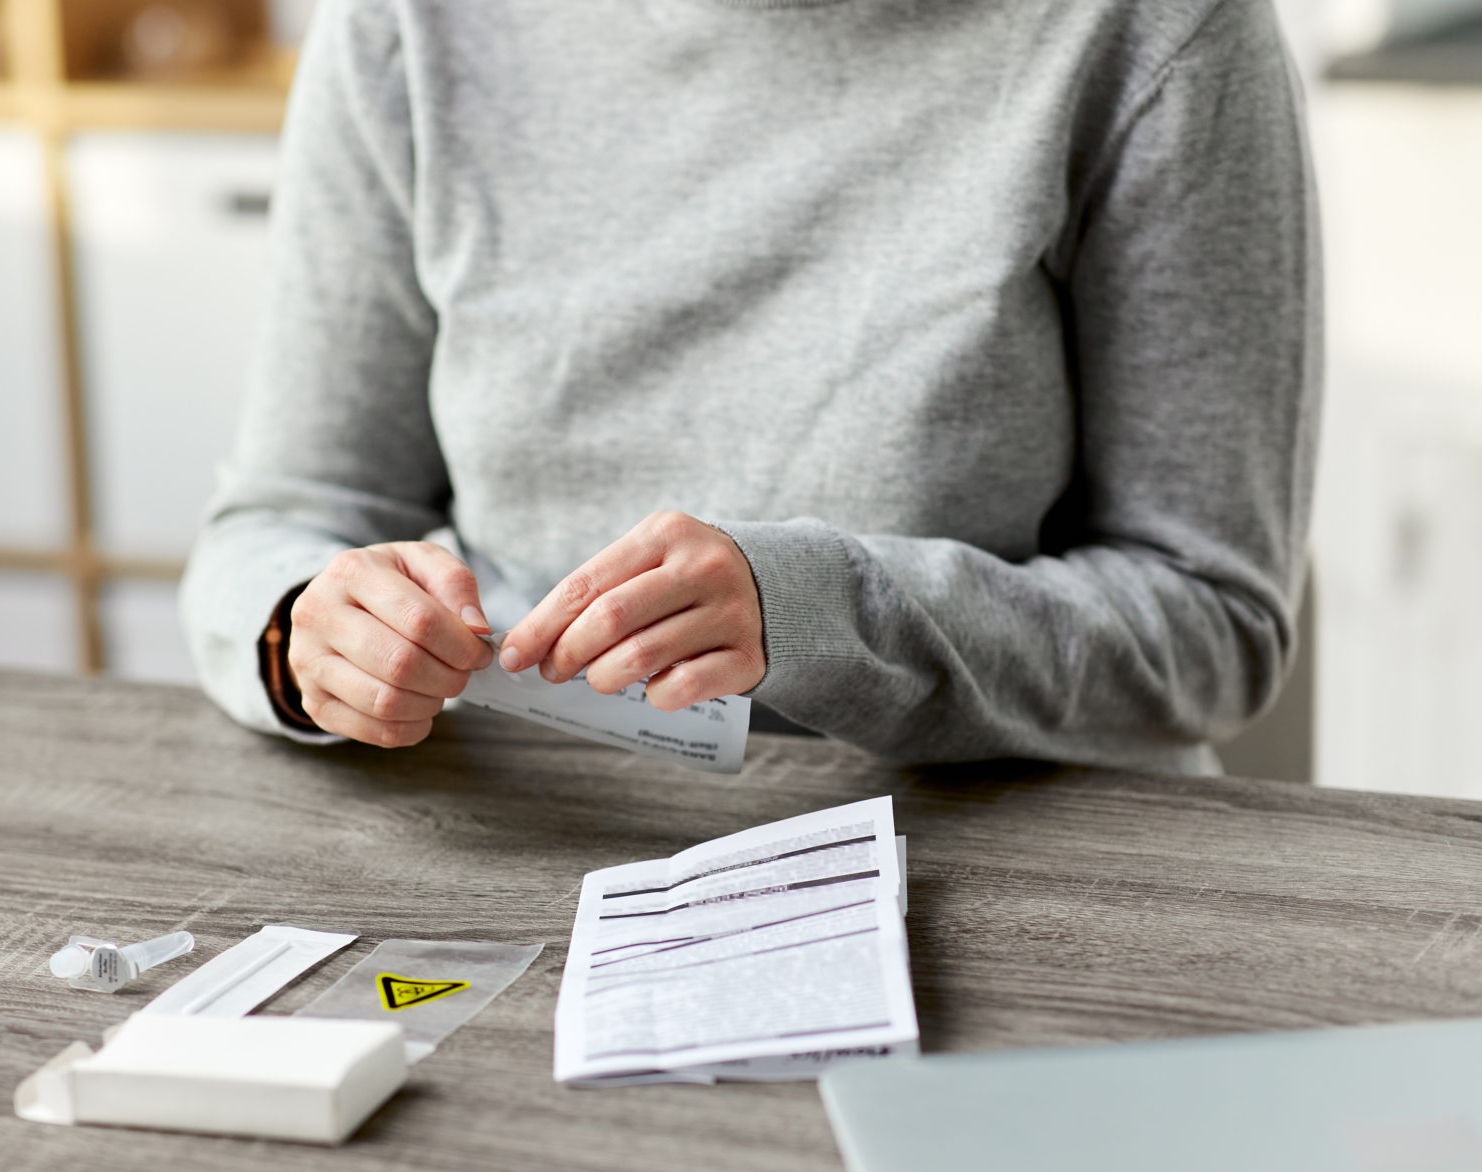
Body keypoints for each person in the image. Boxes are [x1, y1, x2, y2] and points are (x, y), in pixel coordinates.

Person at [181, 0, 1320, 773]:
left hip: (1008, 856)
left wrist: (828, 614)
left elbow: (1212, 619)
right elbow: (283, 518)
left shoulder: (1157, 30)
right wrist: (305, 633)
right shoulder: (410, 25)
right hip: (530, 828)